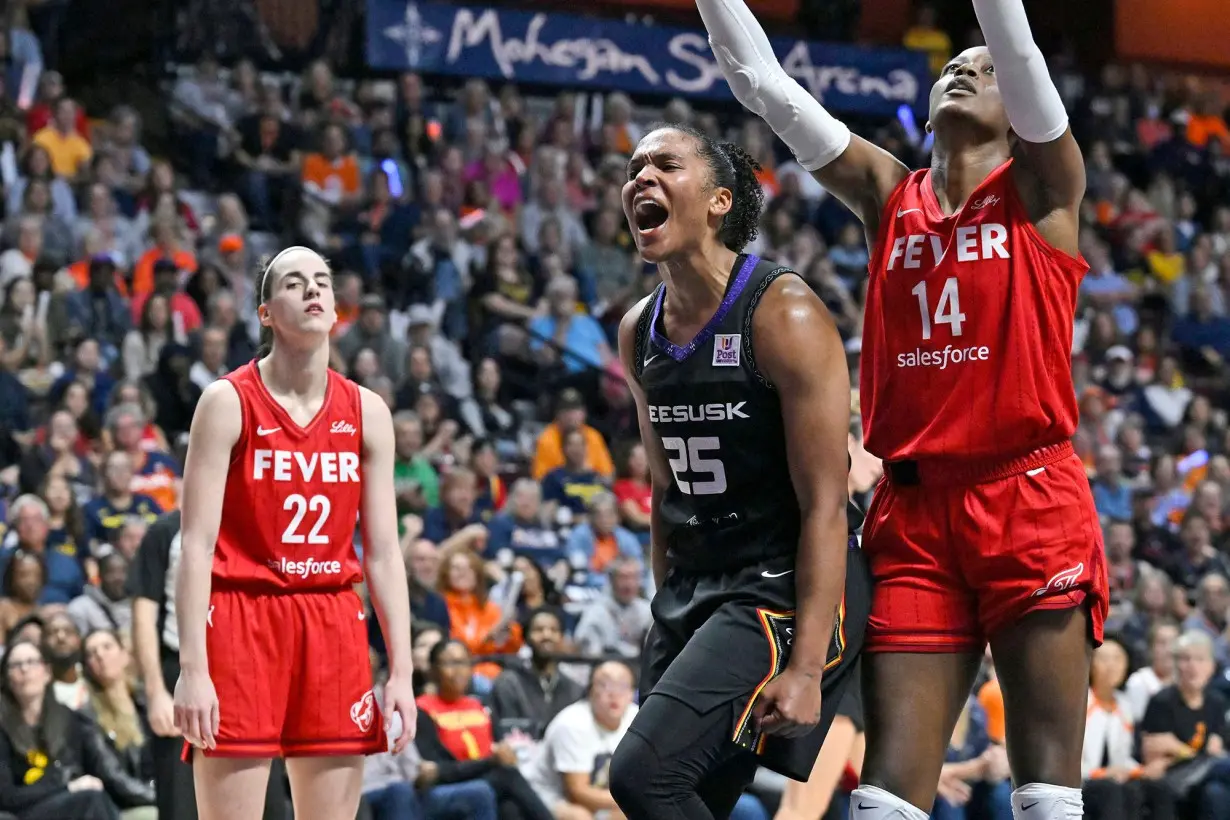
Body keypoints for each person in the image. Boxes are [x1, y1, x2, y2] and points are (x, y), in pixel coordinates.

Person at [695, 0, 1106, 817]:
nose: (967, 69)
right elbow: (762, 84)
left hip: (1028, 493)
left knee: (1047, 792)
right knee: (885, 798)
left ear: (1020, 105)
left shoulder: (1045, 189)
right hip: (914, 512)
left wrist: (1001, 43)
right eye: (954, 66)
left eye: (984, 69)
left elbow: (1016, 44)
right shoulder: (890, 195)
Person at [604, 122, 870, 820]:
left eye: (665, 164)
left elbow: (824, 504)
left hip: (780, 585)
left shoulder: (781, 312)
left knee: (641, 777)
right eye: (634, 169)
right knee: (689, 797)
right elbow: (666, 491)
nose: (641, 179)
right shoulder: (639, 329)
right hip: (696, 585)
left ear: (721, 200)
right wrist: (670, 616)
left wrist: (808, 666)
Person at [171, 246, 417, 820]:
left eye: (323, 282)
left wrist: (401, 672)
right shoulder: (227, 402)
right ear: (264, 312)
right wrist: (191, 668)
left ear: (335, 309)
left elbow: (382, 554)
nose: (313, 291)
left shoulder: (368, 411)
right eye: (294, 283)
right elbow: (196, 546)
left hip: (332, 622)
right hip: (239, 618)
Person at [127, 510, 290, 820]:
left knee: (266, 800)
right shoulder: (166, 531)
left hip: (251, 672)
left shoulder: (258, 521)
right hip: (181, 669)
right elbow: (144, 613)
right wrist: (156, 691)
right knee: (181, 802)